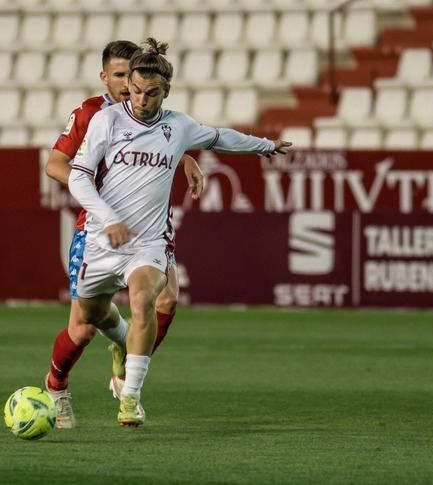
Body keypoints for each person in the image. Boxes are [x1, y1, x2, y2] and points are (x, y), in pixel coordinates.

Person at [68, 37, 291, 426]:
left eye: (151, 93)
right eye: (135, 90)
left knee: (143, 299)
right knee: (91, 314)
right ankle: (121, 340)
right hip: (104, 239)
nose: (141, 99)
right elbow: (78, 177)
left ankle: (130, 398)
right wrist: (107, 217)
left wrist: (265, 146)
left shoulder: (179, 126)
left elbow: (221, 137)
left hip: (149, 242)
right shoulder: (106, 121)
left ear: (165, 91)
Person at [43, 40, 205, 428]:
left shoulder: (149, 112)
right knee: (81, 328)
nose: (124, 85)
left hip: (147, 228)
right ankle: (58, 386)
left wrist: (185, 156)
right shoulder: (90, 113)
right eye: (117, 76)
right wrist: (99, 198)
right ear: (105, 77)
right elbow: (55, 165)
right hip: (99, 228)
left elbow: (162, 135)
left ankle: (128, 381)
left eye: (128, 77)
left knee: (166, 296)